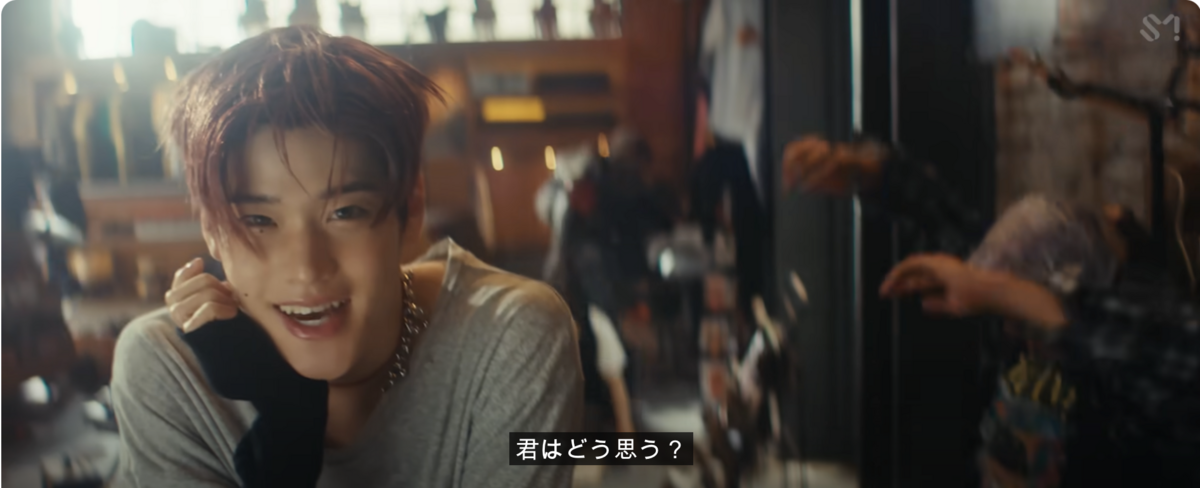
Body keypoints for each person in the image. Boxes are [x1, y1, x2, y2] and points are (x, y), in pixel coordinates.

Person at [109, 26, 582, 487]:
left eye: (345, 212)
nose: (307, 268)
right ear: (211, 229)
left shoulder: (506, 335)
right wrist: (287, 422)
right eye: (258, 220)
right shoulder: (168, 367)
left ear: (410, 207)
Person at [784, 136, 1200, 486]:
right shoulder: (1018, 318)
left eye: (1016, 310)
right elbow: (940, 211)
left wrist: (1019, 300)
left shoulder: (1145, 364)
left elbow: (1167, 346)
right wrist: (866, 174)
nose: (1011, 332)